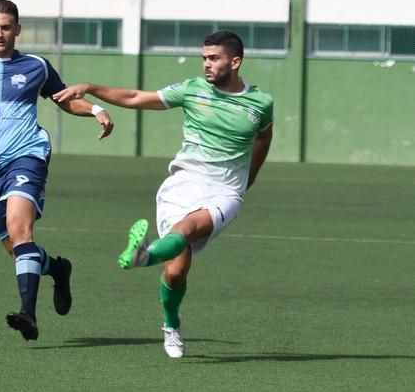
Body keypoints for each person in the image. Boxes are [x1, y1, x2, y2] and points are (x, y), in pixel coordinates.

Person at [53, 30, 273, 358]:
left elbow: (263, 139)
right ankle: (171, 325)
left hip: (225, 191)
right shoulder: (192, 90)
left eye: (214, 59)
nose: (206, 65)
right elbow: (135, 98)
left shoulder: (260, 103)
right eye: (204, 58)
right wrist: (91, 88)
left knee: (185, 231)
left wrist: (249, 178)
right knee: (175, 271)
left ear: (235, 62)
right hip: (183, 183)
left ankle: (143, 256)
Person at [0, 0, 114, 341]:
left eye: (6, 27)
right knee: (18, 248)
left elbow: (64, 98)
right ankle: (58, 269)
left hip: (26, 156)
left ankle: (28, 314)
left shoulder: (36, 66)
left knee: (20, 229)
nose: (0, 33)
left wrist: (95, 110)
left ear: (17, 30)